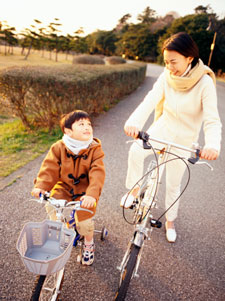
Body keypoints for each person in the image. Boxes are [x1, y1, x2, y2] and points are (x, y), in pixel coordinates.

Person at [120, 32, 222, 243]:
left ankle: (170, 222)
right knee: (136, 150)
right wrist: (134, 122)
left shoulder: (205, 83)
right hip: (163, 128)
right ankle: (135, 190)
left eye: (173, 62)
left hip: (185, 138)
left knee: (173, 183)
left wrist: (212, 145)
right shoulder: (166, 77)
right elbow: (150, 100)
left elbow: (212, 120)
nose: (169, 67)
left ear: (189, 58)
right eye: (166, 62)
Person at [32, 110, 105, 265]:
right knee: (52, 206)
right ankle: (61, 227)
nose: (87, 127)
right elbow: (49, 168)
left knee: (84, 223)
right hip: (64, 186)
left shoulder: (95, 148)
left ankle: (89, 243)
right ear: (68, 131)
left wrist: (92, 194)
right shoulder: (59, 147)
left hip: (85, 192)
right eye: (81, 124)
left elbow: (97, 172)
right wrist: (41, 186)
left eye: (89, 124)